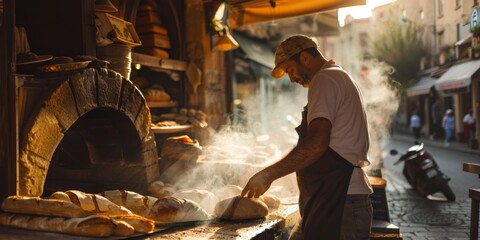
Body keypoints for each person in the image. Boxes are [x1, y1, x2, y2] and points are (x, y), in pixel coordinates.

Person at [241, 35, 373, 239]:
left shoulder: (325, 79)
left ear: (304, 57)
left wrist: (268, 174)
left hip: (341, 201)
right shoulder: (335, 76)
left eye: (290, 70)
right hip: (332, 197)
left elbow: (317, 143)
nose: (291, 79)